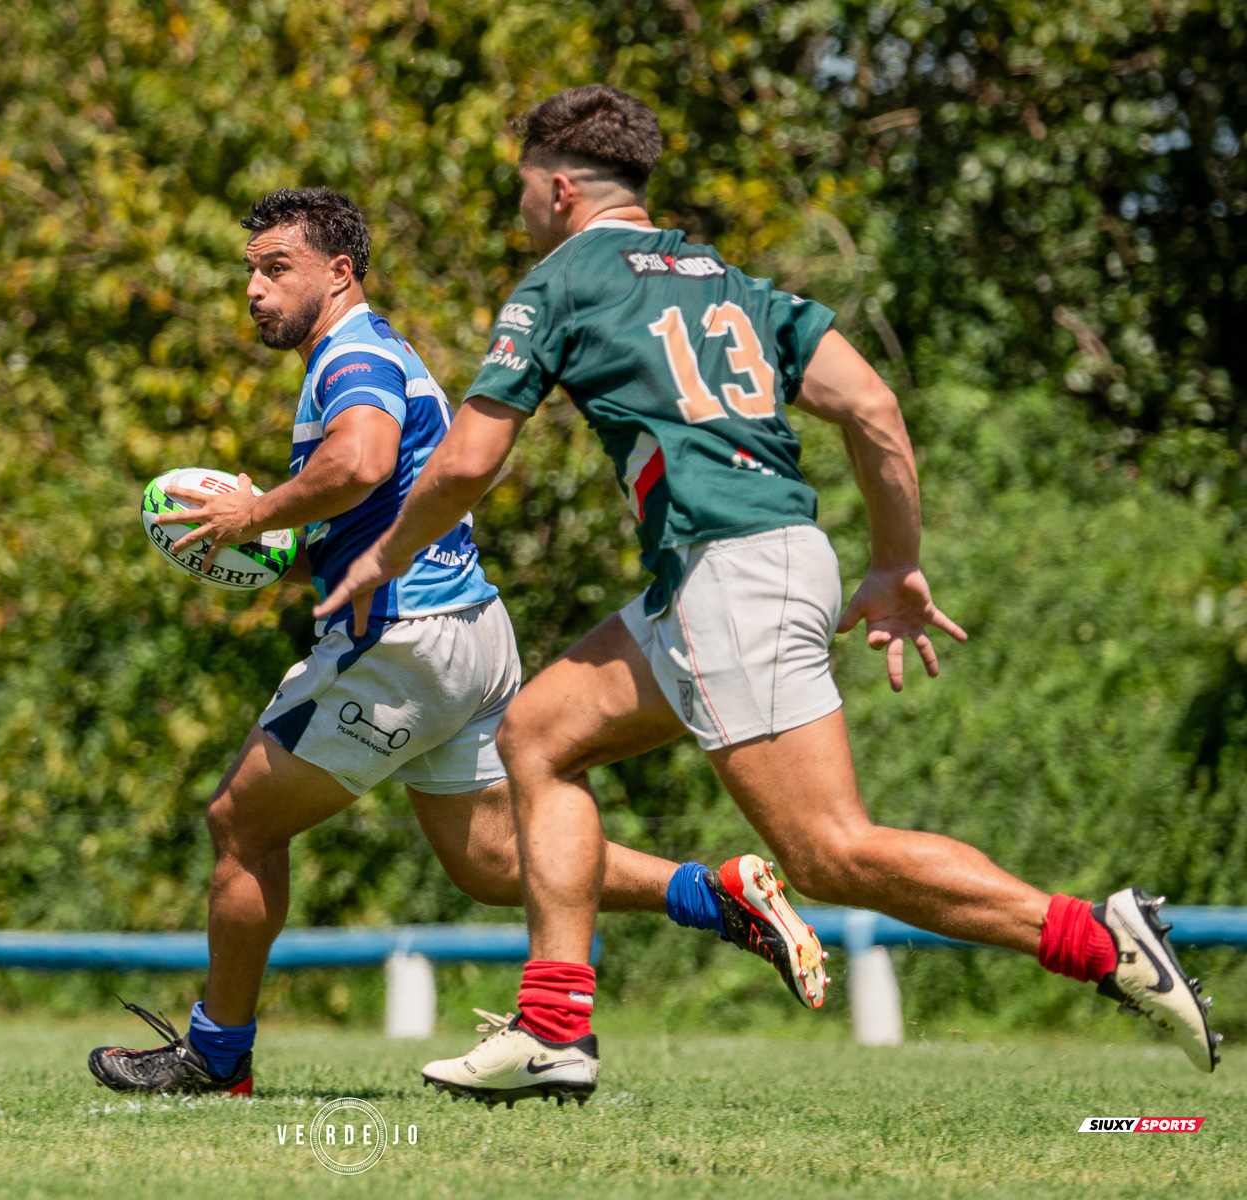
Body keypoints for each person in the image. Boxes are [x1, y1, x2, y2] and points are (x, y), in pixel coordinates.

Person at [317, 86, 1220, 1107]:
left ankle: (1095, 943)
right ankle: (553, 1030)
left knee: (831, 852)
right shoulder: (729, 280)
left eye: (524, 189)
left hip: (724, 575)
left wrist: (385, 554)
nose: (521, 209)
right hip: (754, 561)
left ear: (560, 187)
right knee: (538, 733)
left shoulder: (558, 280)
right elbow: (870, 404)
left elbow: (471, 460)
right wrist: (895, 564)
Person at [89, 188, 825, 1097]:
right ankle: (713, 897)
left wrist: (256, 511)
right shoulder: (383, 347)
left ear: (339, 272)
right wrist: (283, 543)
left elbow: (358, 462)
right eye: (250, 272)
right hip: (474, 633)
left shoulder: (349, 356)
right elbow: (376, 498)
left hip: (407, 639)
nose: (255, 290)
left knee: (239, 825)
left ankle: (216, 1056)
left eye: (276, 269)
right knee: (489, 864)